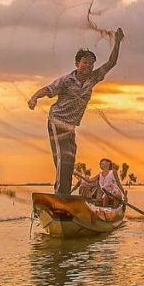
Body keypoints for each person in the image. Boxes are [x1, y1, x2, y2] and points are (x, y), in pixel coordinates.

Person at [27, 28, 124, 195]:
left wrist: (117, 42)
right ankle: (60, 194)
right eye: (85, 62)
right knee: (61, 158)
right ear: (77, 64)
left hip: (71, 126)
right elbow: (48, 89)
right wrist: (34, 97)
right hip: (57, 121)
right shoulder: (66, 80)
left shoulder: (93, 78)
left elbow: (111, 63)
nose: (88, 66)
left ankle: (65, 195)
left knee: (70, 160)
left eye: (91, 63)